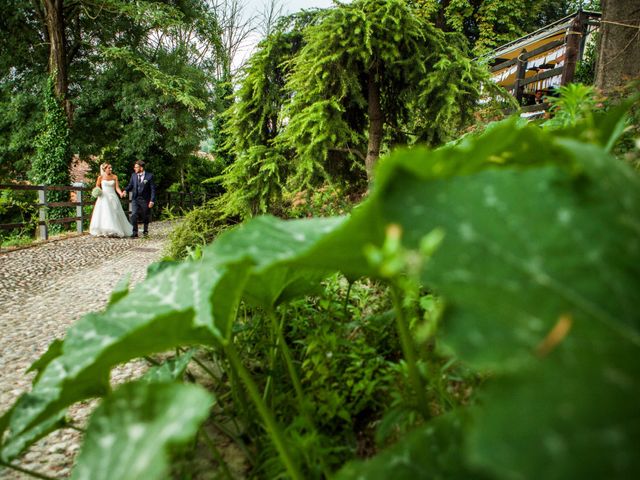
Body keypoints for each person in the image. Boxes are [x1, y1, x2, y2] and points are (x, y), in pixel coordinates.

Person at [89, 163, 133, 238]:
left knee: (115, 212)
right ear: (105, 169)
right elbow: (97, 186)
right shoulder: (100, 177)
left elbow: (117, 188)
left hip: (113, 196)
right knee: (105, 213)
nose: (111, 169)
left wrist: (121, 193)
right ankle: (105, 230)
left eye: (111, 168)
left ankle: (115, 229)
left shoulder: (115, 177)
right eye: (109, 168)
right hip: (103, 197)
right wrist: (98, 191)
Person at [122, 160, 156, 237]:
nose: (135, 168)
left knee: (145, 216)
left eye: (136, 167)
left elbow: (153, 189)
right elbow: (130, 185)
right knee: (133, 215)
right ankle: (135, 232)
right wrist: (125, 190)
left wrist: (152, 200)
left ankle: (145, 231)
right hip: (135, 199)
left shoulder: (149, 176)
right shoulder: (133, 175)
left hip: (145, 199)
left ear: (141, 168)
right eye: (134, 167)